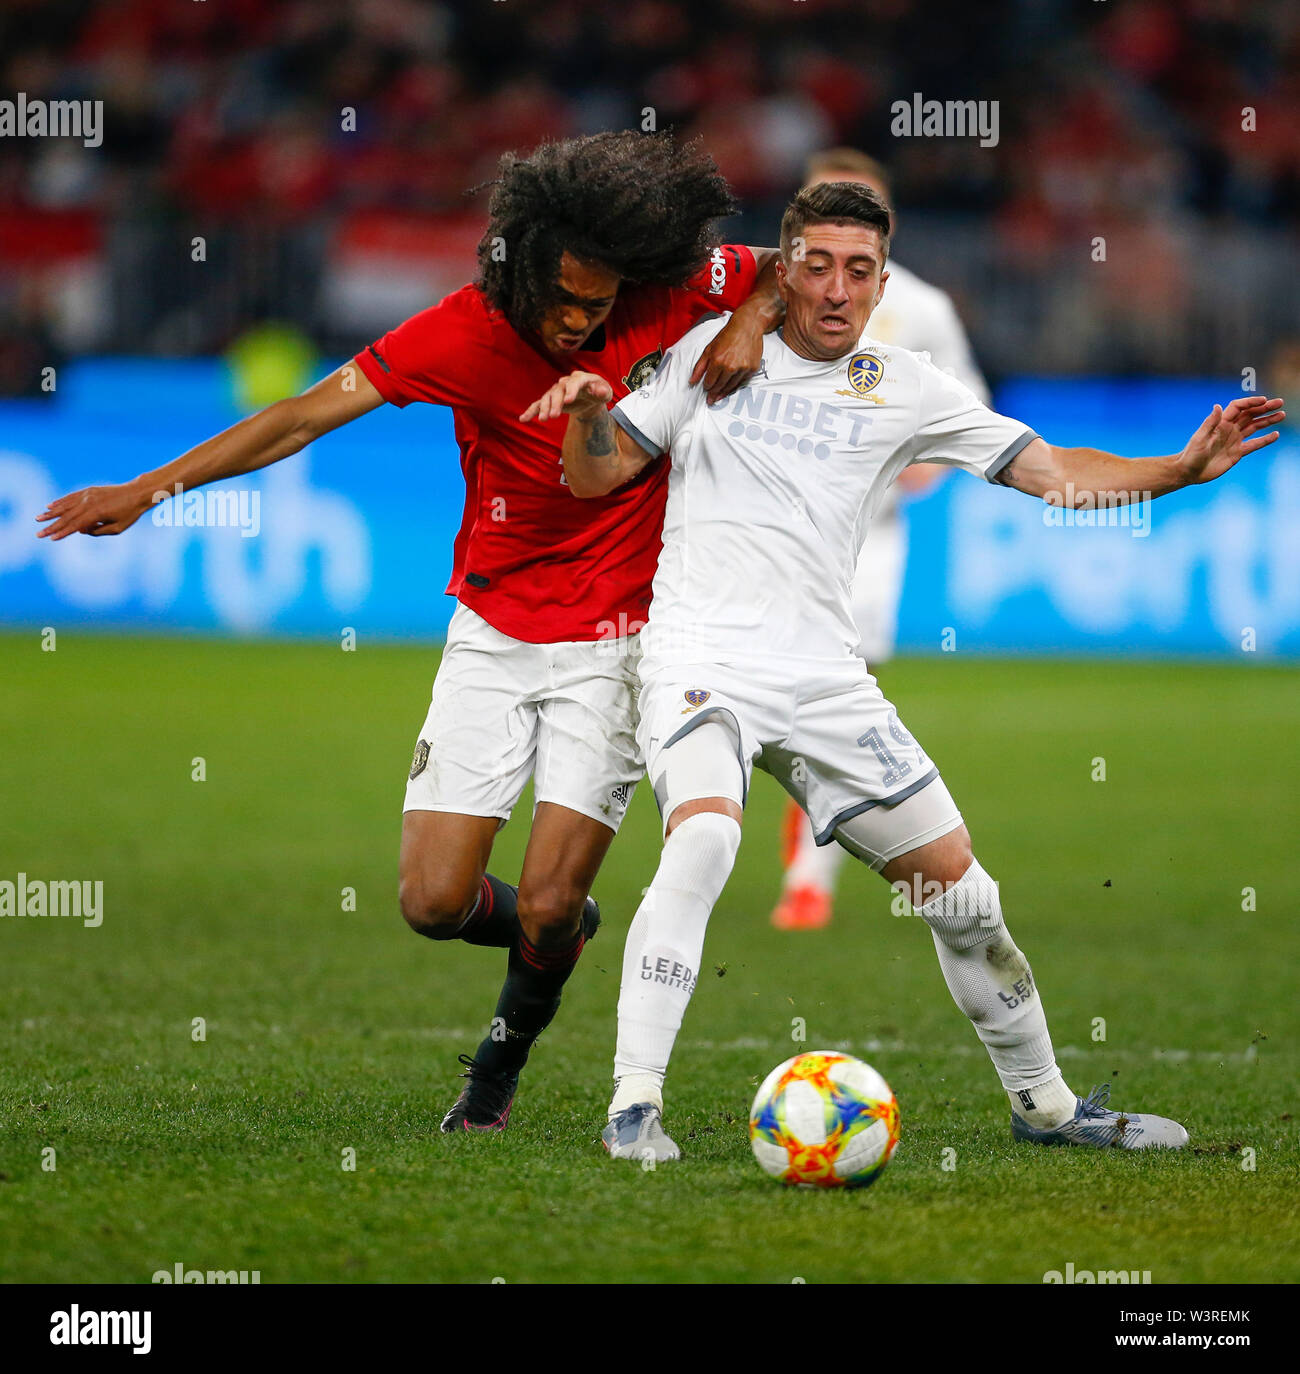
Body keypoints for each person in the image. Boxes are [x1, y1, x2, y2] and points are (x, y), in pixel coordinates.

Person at [35, 131, 783, 1133]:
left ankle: (495, 1071)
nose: (577, 322)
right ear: (517, 276)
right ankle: (556, 931)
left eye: (596, 307)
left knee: (551, 902)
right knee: (433, 902)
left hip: (619, 635)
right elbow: (302, 416)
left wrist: (751, 322)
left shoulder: (669, 287)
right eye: (560, 302)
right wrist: (150, 488)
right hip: (493, 626)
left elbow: (783, 266)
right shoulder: (462, 330)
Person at [525, 179, 1283, 1161]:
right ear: (782, 272)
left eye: (860, 271)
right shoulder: (708, 358)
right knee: (705, 843)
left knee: (964, 898)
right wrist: (588, 412)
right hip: (698, 657)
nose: (838, 290)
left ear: (883, 281)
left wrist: (1174, 473)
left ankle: (1046, 1107)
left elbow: (1052, 474)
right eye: (817, 267)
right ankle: (634, 1108)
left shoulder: (907, 384)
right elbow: (593, 474)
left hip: (825, 677)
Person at [773, 147, 988, 931]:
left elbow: (969, 397)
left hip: (872, 537)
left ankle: (809, 871)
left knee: (836, 691)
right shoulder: (757, 302)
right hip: (770, 531)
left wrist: (926, 465)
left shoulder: (920, 306)